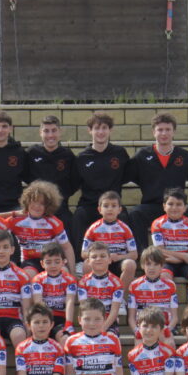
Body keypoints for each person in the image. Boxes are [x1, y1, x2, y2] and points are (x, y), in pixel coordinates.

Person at [125, 112, 188, 250]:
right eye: (160, 130)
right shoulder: (142, 155)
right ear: (153, 132)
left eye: (168, 129)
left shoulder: (184, 155)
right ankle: (144, 256)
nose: (164, 133)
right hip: (152, 206)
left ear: (174, 132)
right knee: (135, 213)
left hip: (176, 206)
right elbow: (126, 175)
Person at [70, 112, 130, 261]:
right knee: (78, 216)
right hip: (89, 204)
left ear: (110, 130)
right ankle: (80, 262)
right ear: (90, 130)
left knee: (125, 216)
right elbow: (73, 183)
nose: (101, 132)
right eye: (97, 128)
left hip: (112, 205)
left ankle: (124, 259)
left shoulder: (120, 153)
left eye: (104, 128)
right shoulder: (82, 157)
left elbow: (128, 175)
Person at [0, 180, 76, 278]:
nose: (37, 206)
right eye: (34, 201)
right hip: (30, 262)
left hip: (51, 258)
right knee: (28, 275)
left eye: (42, 203)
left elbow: (67, 247)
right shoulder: (16, 220)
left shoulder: (54, 222)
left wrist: (73, 273)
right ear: (27, 201)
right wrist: (13, 213)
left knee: (64, 272)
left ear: (48, 206)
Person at [26, 115, 76, 239]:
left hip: (60, 208)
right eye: (46, 131)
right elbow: (25, 176)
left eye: (54, 130)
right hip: (36, 208)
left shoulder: (68, 155)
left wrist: (60, 196)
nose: (50, 135)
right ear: (40, 133)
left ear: (60, 132)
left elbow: (75, 182)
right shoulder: (32, 153)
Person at [81, 190, 137, 290]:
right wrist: (99, 256)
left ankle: (121, 296)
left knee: (130, 264)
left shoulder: (125, 228)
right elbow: (83, 253)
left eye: (114, 206)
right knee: (86, 264)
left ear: (119, 209)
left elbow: (134, 254)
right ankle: (92, 296)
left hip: (118, 262)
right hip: (100, 261)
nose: (110, 209)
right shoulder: (93, 228)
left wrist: (119, 257)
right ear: (99, 209)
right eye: (106, 206)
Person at [127, 246, 179, 346]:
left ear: (162, 266)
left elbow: (175, 317)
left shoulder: (170, 285)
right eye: (148, 264)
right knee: (139, 346)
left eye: (156, 264)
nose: (152, 268)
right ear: (142, 265)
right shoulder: (134, 285)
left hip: (163, 326)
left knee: (169, 343)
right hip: (144, 327)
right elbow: (131, 317)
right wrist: (136, 330)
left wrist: (168, 329)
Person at [151, 187, 188, 284]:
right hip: (167, 261)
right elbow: (160, 251)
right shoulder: (157, 224)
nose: (174, 208)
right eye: (170, 204)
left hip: (187, 263)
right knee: (164, 278)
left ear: (185, 208)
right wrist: (184, 256)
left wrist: (178, 259)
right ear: (164, 206)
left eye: (179, 204)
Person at [30, 242, 77, 345]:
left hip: (60, 318)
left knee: (65, 339)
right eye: (48, 262)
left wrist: (69, 323)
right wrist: (45, 323)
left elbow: (70, 301)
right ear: (42, 264)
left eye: (57, 261)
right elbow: (38, 303)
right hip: (43, 317)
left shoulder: (70, 279)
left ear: (63, 262)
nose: (53, 266)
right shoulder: (38, 279)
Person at [76, 241, 124, 335]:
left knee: (110, 337)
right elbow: (84, 308)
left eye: (103, 256)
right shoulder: (83, 282)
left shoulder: (117, 282)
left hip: (108, 322)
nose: (98, 259)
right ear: (88, 261)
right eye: (94, 257)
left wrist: (102, 329)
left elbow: (114, 311)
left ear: (109, 260)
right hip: (90, 321)